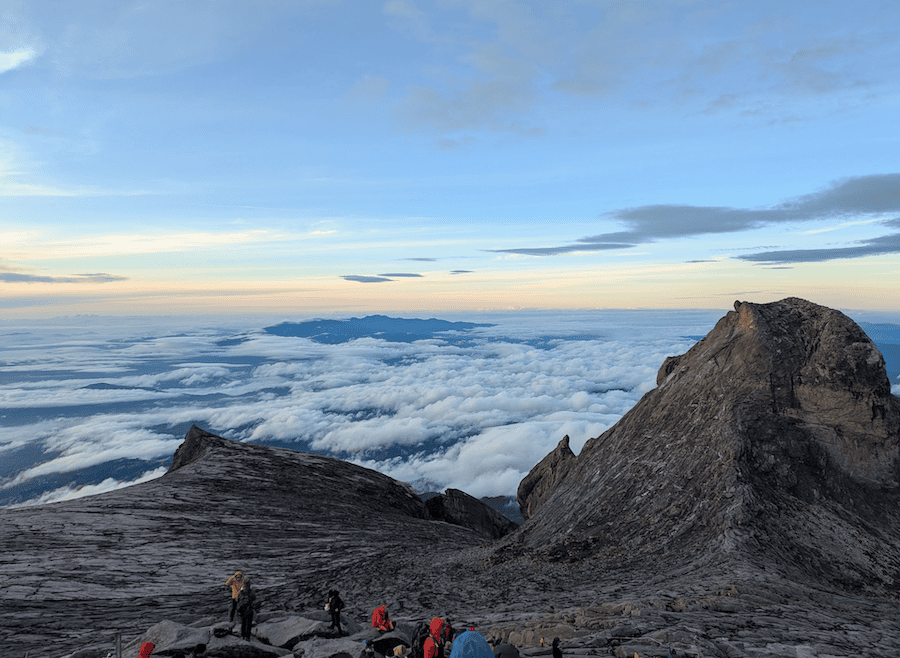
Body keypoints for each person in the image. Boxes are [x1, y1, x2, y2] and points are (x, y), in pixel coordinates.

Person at [236, 576, 258, 640]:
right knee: (248, 623)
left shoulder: (240, 593)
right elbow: (254, 598)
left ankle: (242, 635)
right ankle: (247, 637)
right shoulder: (251, 592)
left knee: (243, 622)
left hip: (242, 609)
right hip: (249, 608)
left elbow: (237, 600)